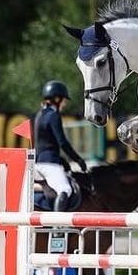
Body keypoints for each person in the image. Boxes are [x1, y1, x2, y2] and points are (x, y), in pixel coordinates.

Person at [34, 80, 88, 212]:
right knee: (65, 189)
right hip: (49, 163)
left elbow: (48, 143)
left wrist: (63, 161)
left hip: (40, 161)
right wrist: (78, 159)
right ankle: (58, 228)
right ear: (57, 99)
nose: (65, 104)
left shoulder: (40, 114)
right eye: (64, 100)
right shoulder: (54, 116)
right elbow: (62, 142)